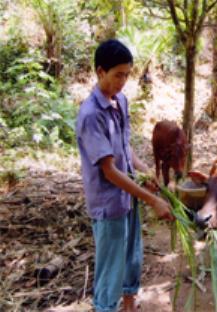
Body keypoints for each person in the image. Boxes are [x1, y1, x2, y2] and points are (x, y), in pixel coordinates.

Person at [76, 39, 173, 312]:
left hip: (128, 196)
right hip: (109, 202)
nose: (122, 82)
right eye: (117, 75)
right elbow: (108, 170)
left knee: (132, 257)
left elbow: (125, 149)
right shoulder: (90, 115)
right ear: (100, 71)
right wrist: (152, 200)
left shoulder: (120, 102)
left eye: (127, 75)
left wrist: (145, 173)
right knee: (110, 269)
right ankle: (106, 307)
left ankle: (129, 305)